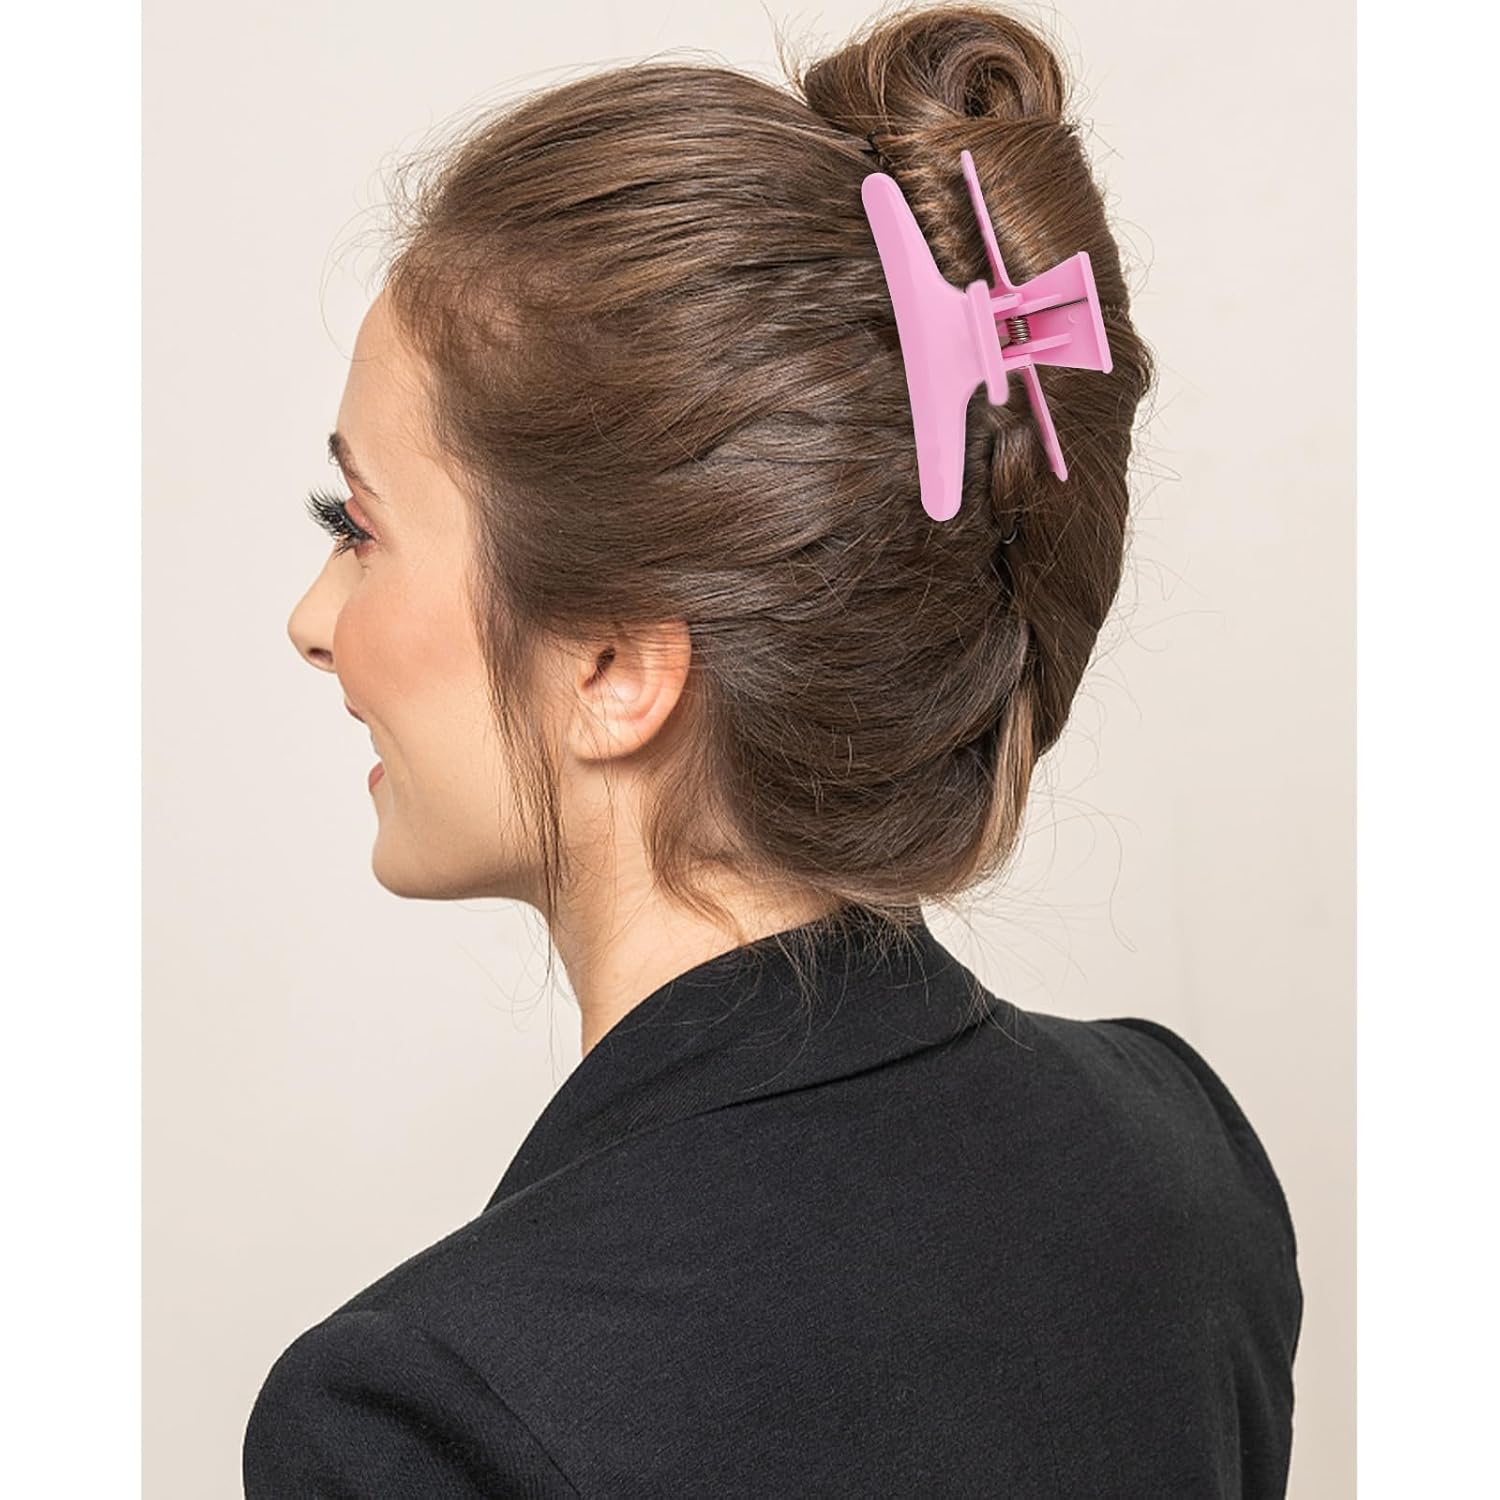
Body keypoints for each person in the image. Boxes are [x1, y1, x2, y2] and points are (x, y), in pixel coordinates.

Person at [245, 3, 1302, 1494]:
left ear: (616, 665)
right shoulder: (1183, 1158)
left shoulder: (427, 1409)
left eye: (356, 527)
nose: (313, 622)